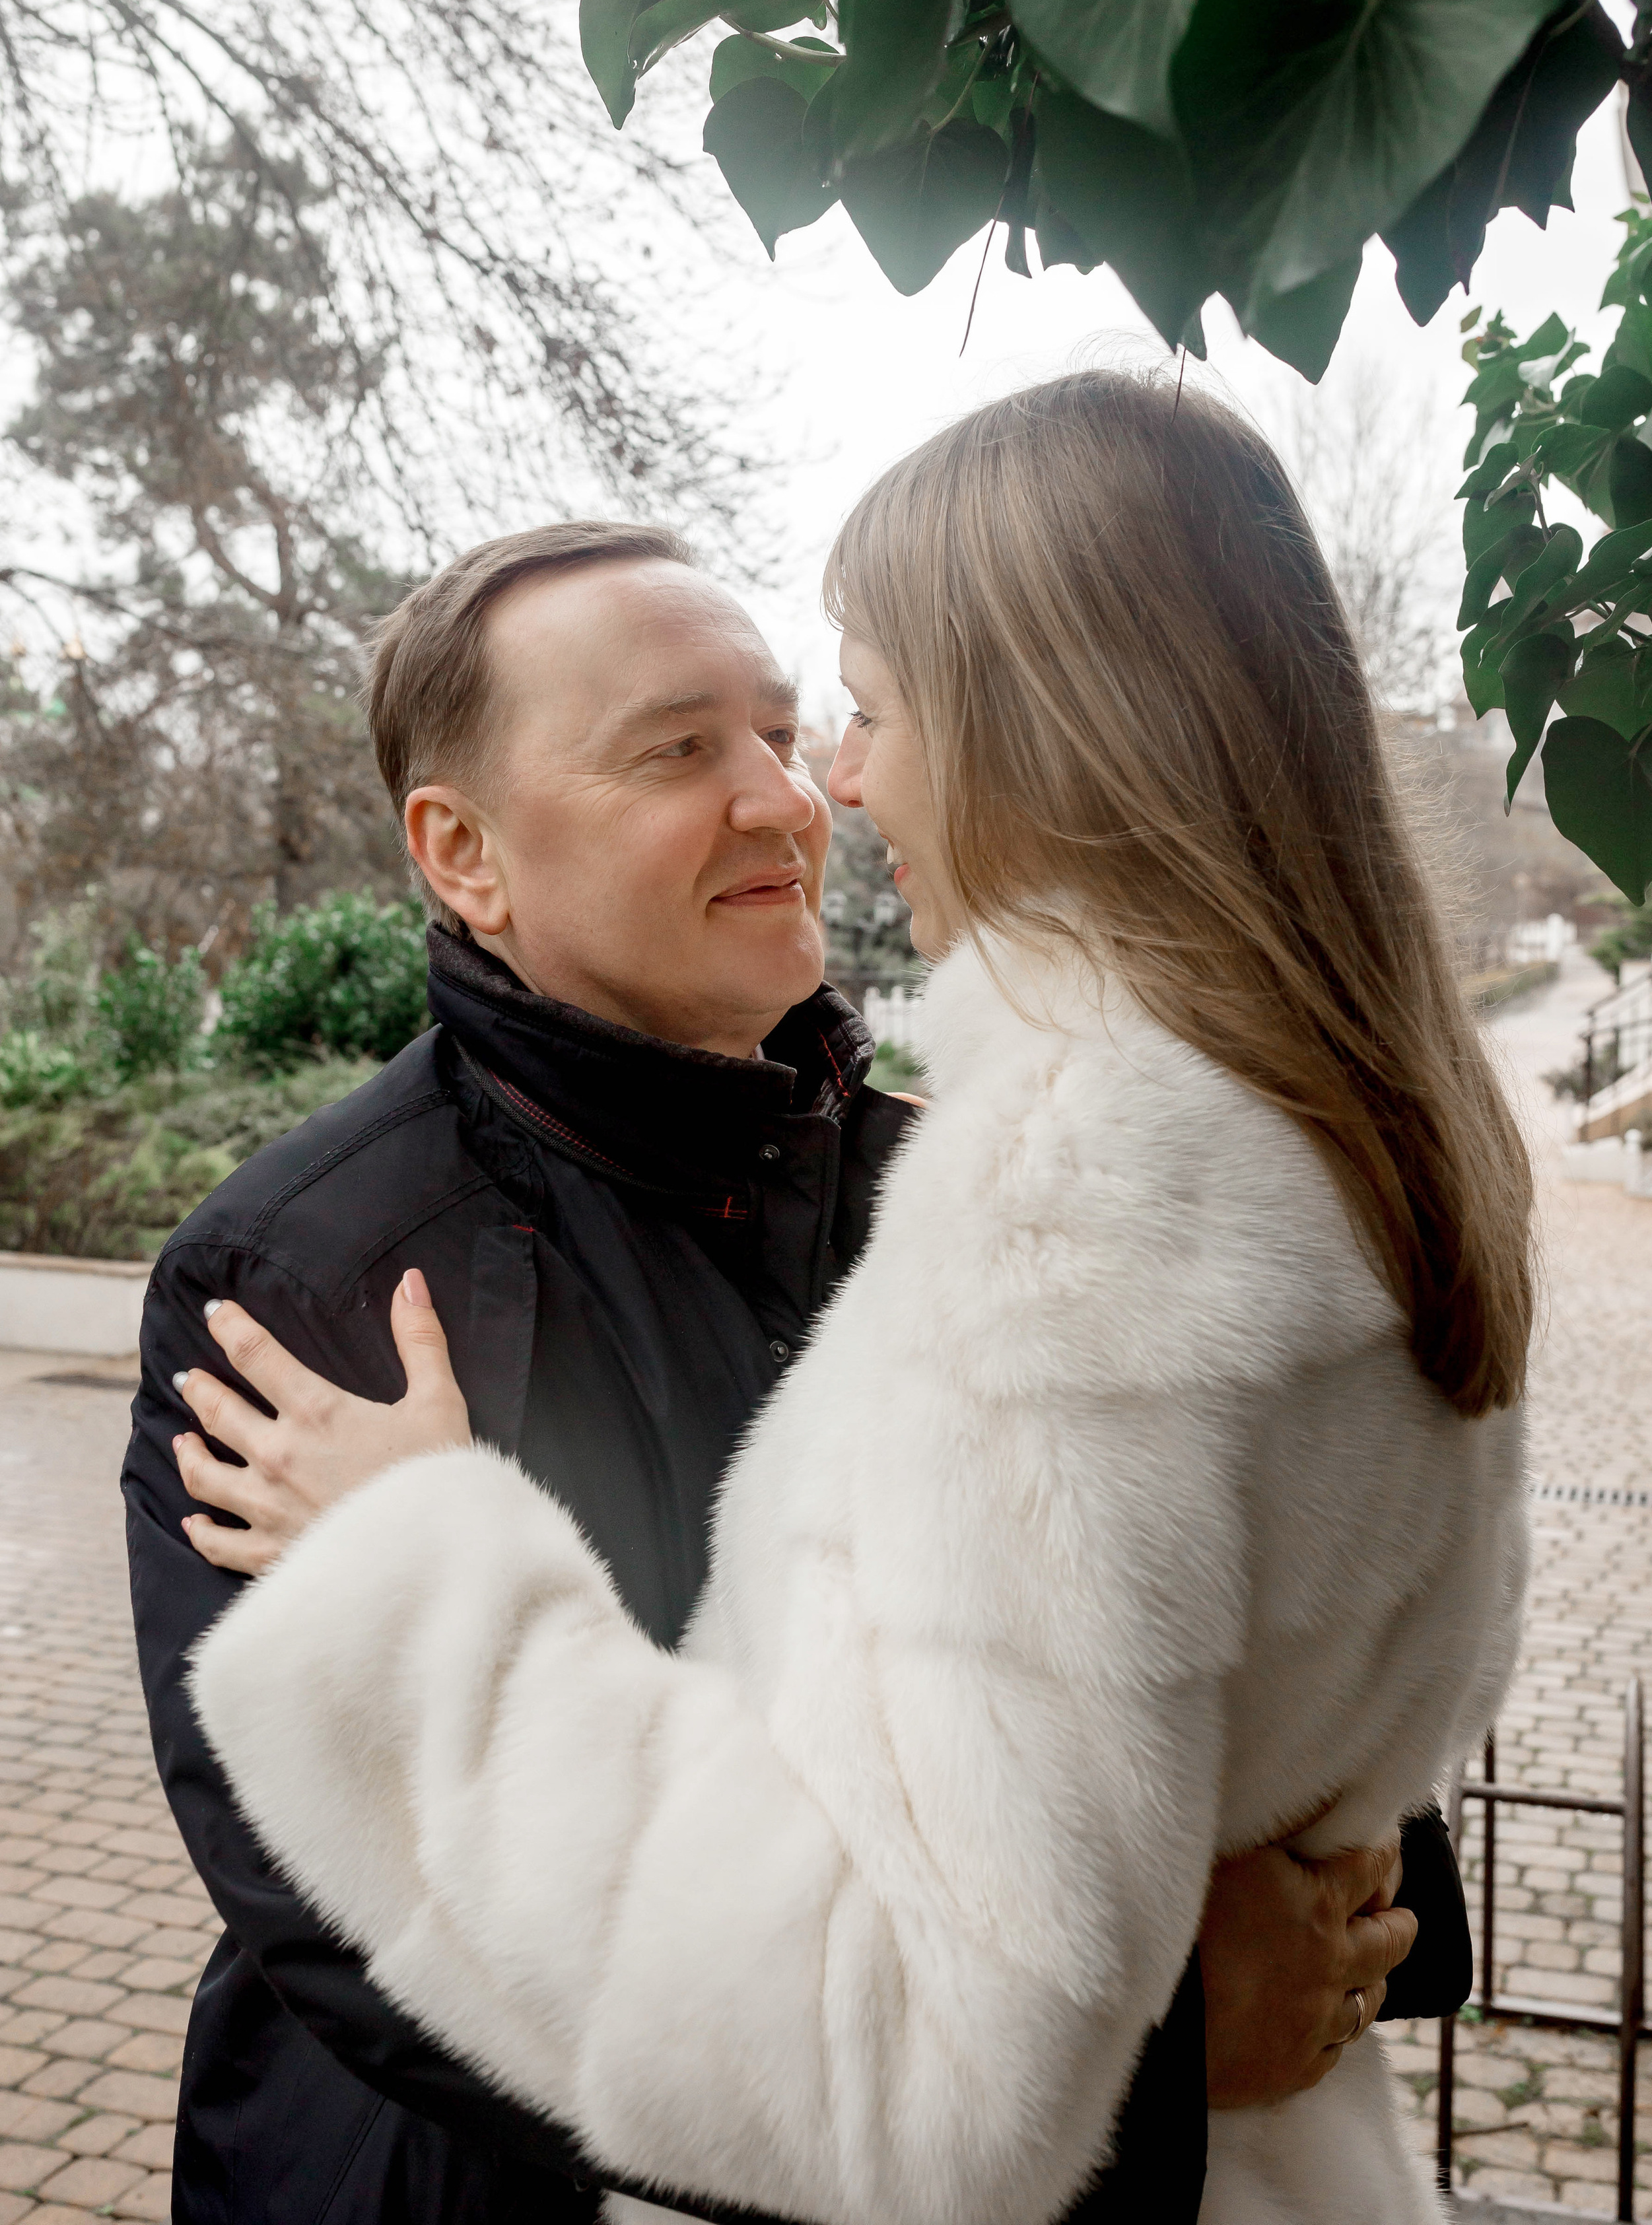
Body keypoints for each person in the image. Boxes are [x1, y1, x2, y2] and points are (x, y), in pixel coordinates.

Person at [162, 372, 1529, 2225]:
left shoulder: (1002, 1190)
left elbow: (1260, 1755)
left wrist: (1284, 1944)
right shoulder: (313, 1272)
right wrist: (1154, 2056)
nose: (795, 797)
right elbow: (343, 1908)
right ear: (462, 854)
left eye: (805, 724)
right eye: (672, 752)